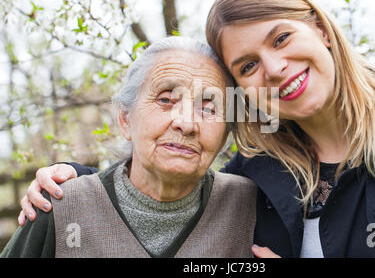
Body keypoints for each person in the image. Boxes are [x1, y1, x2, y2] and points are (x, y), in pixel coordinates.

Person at [15, 0, 375, 258]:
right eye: (247, 66)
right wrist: (72, 181)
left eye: (281, 38)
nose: (275, 68)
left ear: (319, 28)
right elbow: (166, 185)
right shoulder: (256, 175)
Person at [1, 36, 257, 258]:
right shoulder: (60, 206)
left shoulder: (253, 206)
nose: (187, 123)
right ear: (125, 119)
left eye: (209, 108)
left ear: (225, 134)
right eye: (166, 99)